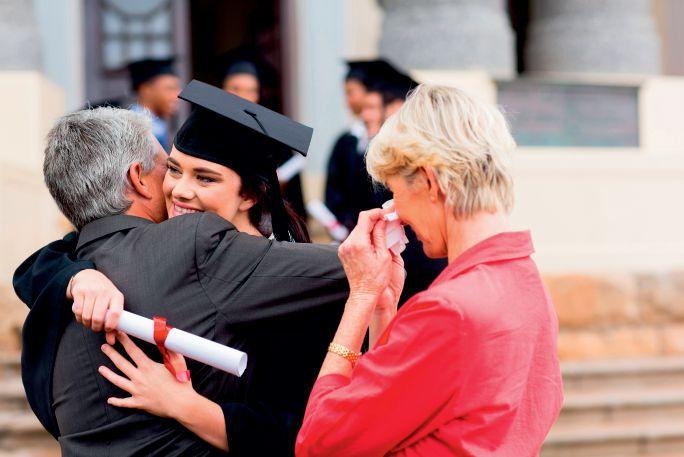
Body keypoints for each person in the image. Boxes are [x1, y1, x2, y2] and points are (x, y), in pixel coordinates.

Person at [14, 81, 348, 456]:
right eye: (172, 169)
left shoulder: (291, 282)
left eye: (205, 177)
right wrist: (76, 276)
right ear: (139, 178)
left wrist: (187, 408)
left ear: (251, 194)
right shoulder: (105, 262)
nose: (179, 190)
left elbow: (312, 428)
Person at [296, 84, 564, 456]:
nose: (397, 213)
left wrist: (360, 297)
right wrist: (383, 308)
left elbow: (320, 442)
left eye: (395, 193)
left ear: (429, 182)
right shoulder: (526, 282)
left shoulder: (449, 310)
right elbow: (406, 410)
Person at [218, 46, 307, 220]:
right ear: (223, 89)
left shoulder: (273, 136)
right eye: (236, 88)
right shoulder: (210, 131)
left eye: (251, 90)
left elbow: (294, 195)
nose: (243, 96)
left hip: (264, 220)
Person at [127, 57, 181, 151]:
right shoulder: (134, 129)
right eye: (170, 88)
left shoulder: (158, 125)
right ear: (146, 90)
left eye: (177, 88)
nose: (177, 95)